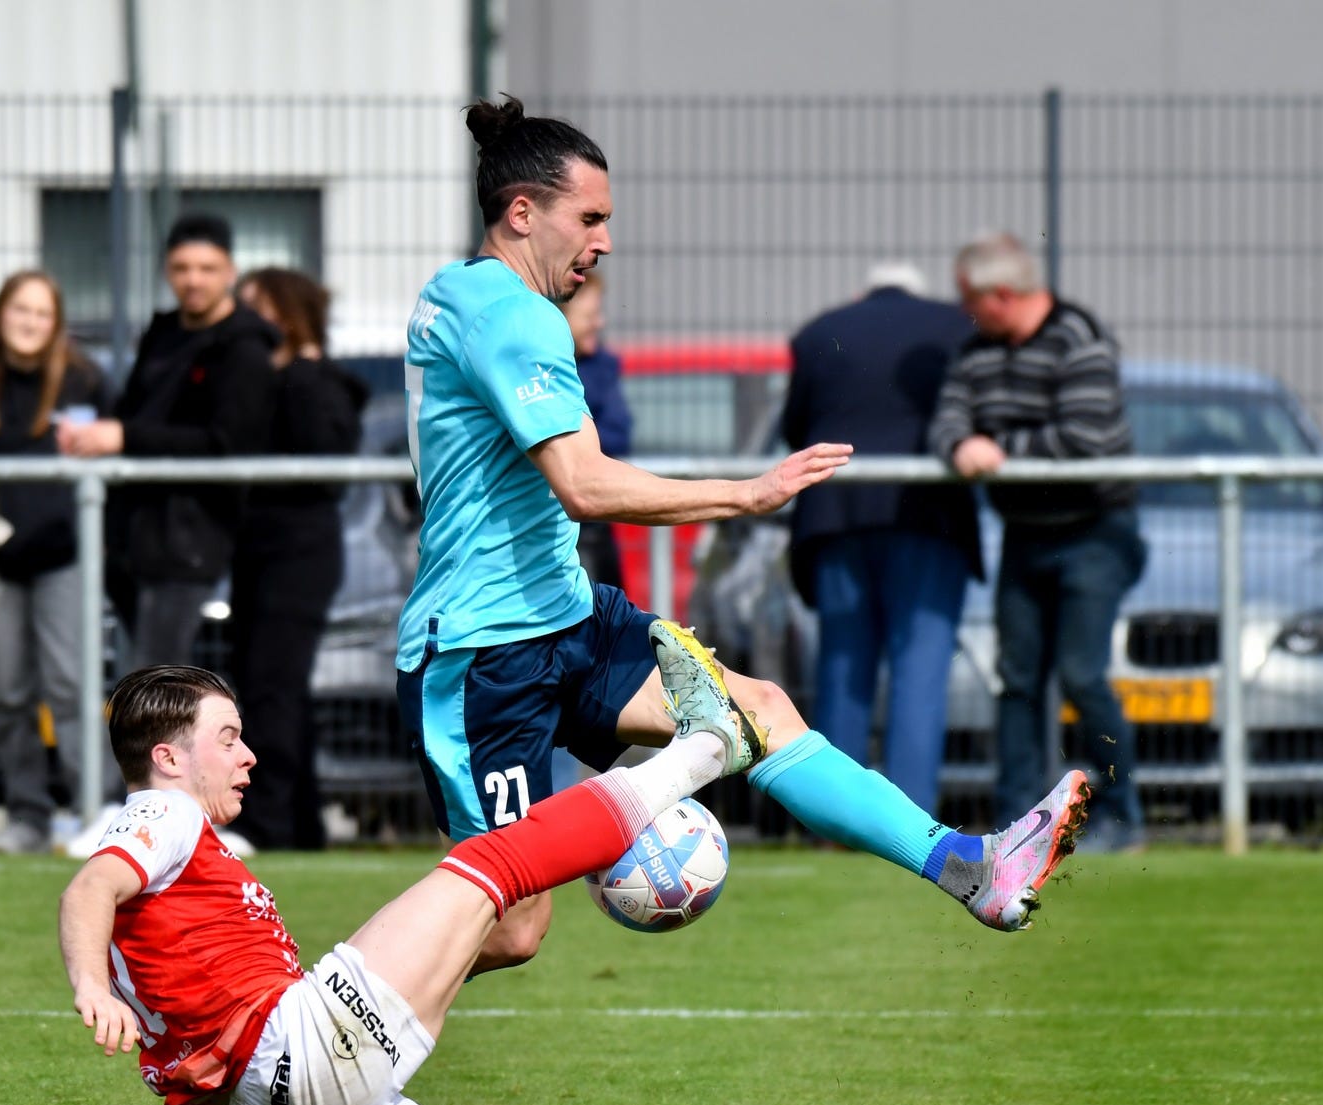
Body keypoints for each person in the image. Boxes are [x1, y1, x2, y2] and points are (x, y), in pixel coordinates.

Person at [397, 96, 1091, 974]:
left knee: (757, 708)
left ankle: (971, 867)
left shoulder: (457, 291)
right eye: (592, 218)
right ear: (523, 211)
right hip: (480, 652)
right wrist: (746, 492)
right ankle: (324, 1001)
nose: (605, 241)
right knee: (509, 926)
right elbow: (583, 483)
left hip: (565, 618)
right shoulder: (512, 313)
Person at [56, 637, 746, 1105]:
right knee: (499, 861)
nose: (249, 755)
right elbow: (89, 885)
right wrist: (89, 984)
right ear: (168, 758)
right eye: (228, 738)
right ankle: (709, 747)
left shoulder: (152, 925)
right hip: (309, 1056)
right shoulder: (163, 810)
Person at [57, 213, 280, 841]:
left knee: (162, 689)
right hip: (134, 537)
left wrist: (123, 437)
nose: (193, 280)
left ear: (230, 273)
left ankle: (171, 820)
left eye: (207, 268)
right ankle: (140, 814)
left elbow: (229, 441)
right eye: (181, 268)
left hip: (189, 538)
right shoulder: (163, 335)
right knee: (139, 681)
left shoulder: (246, 347)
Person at [929, 231, 1146, 849]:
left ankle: (1122, 814)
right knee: (1019, 678)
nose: (962, 310)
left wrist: (997, 452)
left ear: (1001, 295)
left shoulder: (1078, 339)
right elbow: (948, 420)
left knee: (1082, 675)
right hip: (1026, 536)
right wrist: (958, 444)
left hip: (1096, 534)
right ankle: (1017, 819)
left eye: (968, 298)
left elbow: (1088, 440)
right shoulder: (974, 352)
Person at [782, 261, 979, 815]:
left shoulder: (820, 331)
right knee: (921, 671)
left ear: (861, 294)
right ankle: (911, 819)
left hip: (837, 514)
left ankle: (839, 818)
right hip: (927, 516)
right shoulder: (956, 325)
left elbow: (796, 426)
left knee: (843, 669)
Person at [0, 269, 109, 855]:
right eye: (19, 310)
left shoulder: (85, 381)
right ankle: (28, 816)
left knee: (71, 686)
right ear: (0, 316)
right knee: (9, 693)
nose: (30, 322)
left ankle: (96, 812)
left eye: (41, 312)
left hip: (66, 557)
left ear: (56, 322)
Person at [223, 267, 366, 851]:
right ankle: (300, 826)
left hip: (297, 553)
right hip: (263, 551)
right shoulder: (275, 378)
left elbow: (325, 460)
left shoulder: (309, 381)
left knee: (272, 686)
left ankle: (271, 823)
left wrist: (300, 371)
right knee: (273, 687)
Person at [560, 266, 629, 589]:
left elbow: (620, 431)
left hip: (590, 530)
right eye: (591, 314)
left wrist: (570, 440)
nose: (599, 324)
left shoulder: (601, 368)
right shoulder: (537, 365)